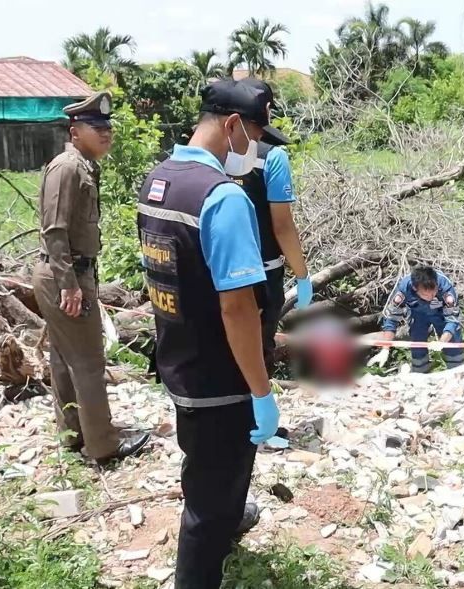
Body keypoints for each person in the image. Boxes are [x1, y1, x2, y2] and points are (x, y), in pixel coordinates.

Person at [135, 79, 281, 589]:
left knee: (205, 469)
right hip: (220, 378)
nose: (255, 151)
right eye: (256, 137)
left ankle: (228, 520)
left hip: (177, 360)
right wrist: (261, 392)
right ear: (234, 126)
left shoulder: (160, 179)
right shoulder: (224, 198)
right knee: (208, 508)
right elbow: (238, 308)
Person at [32, 90, 149, 465]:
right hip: (64, 273)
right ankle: (102, 446)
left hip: (70, 271)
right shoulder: (68, 168)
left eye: (107, 127)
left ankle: (73, 433)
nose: (105, 133)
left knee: (64, 359)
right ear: (74, 130)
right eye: (95, 126)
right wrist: (69, 283)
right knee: (88, 362)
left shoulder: (82, 165)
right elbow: (54, 229)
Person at [229, 79, 312, 373]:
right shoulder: (272, 156)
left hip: (217, 271)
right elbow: (282, 226)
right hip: (262, 272)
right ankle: (255, 414)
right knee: (257, 349)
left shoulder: (210, 151)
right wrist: (302, 275)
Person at [380, 265, 464, 373]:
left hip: (441, 314)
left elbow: (452, 319)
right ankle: (420, 373)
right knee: (417, 341)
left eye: (433, 293)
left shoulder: (445, 287)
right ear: (415, 289)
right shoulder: (404, 288)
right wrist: (385, 348)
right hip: (417, 313)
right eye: (426, 294)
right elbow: (392, 317)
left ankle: (457, 373)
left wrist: (442, 342)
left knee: (452, 345)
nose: (430, 296)